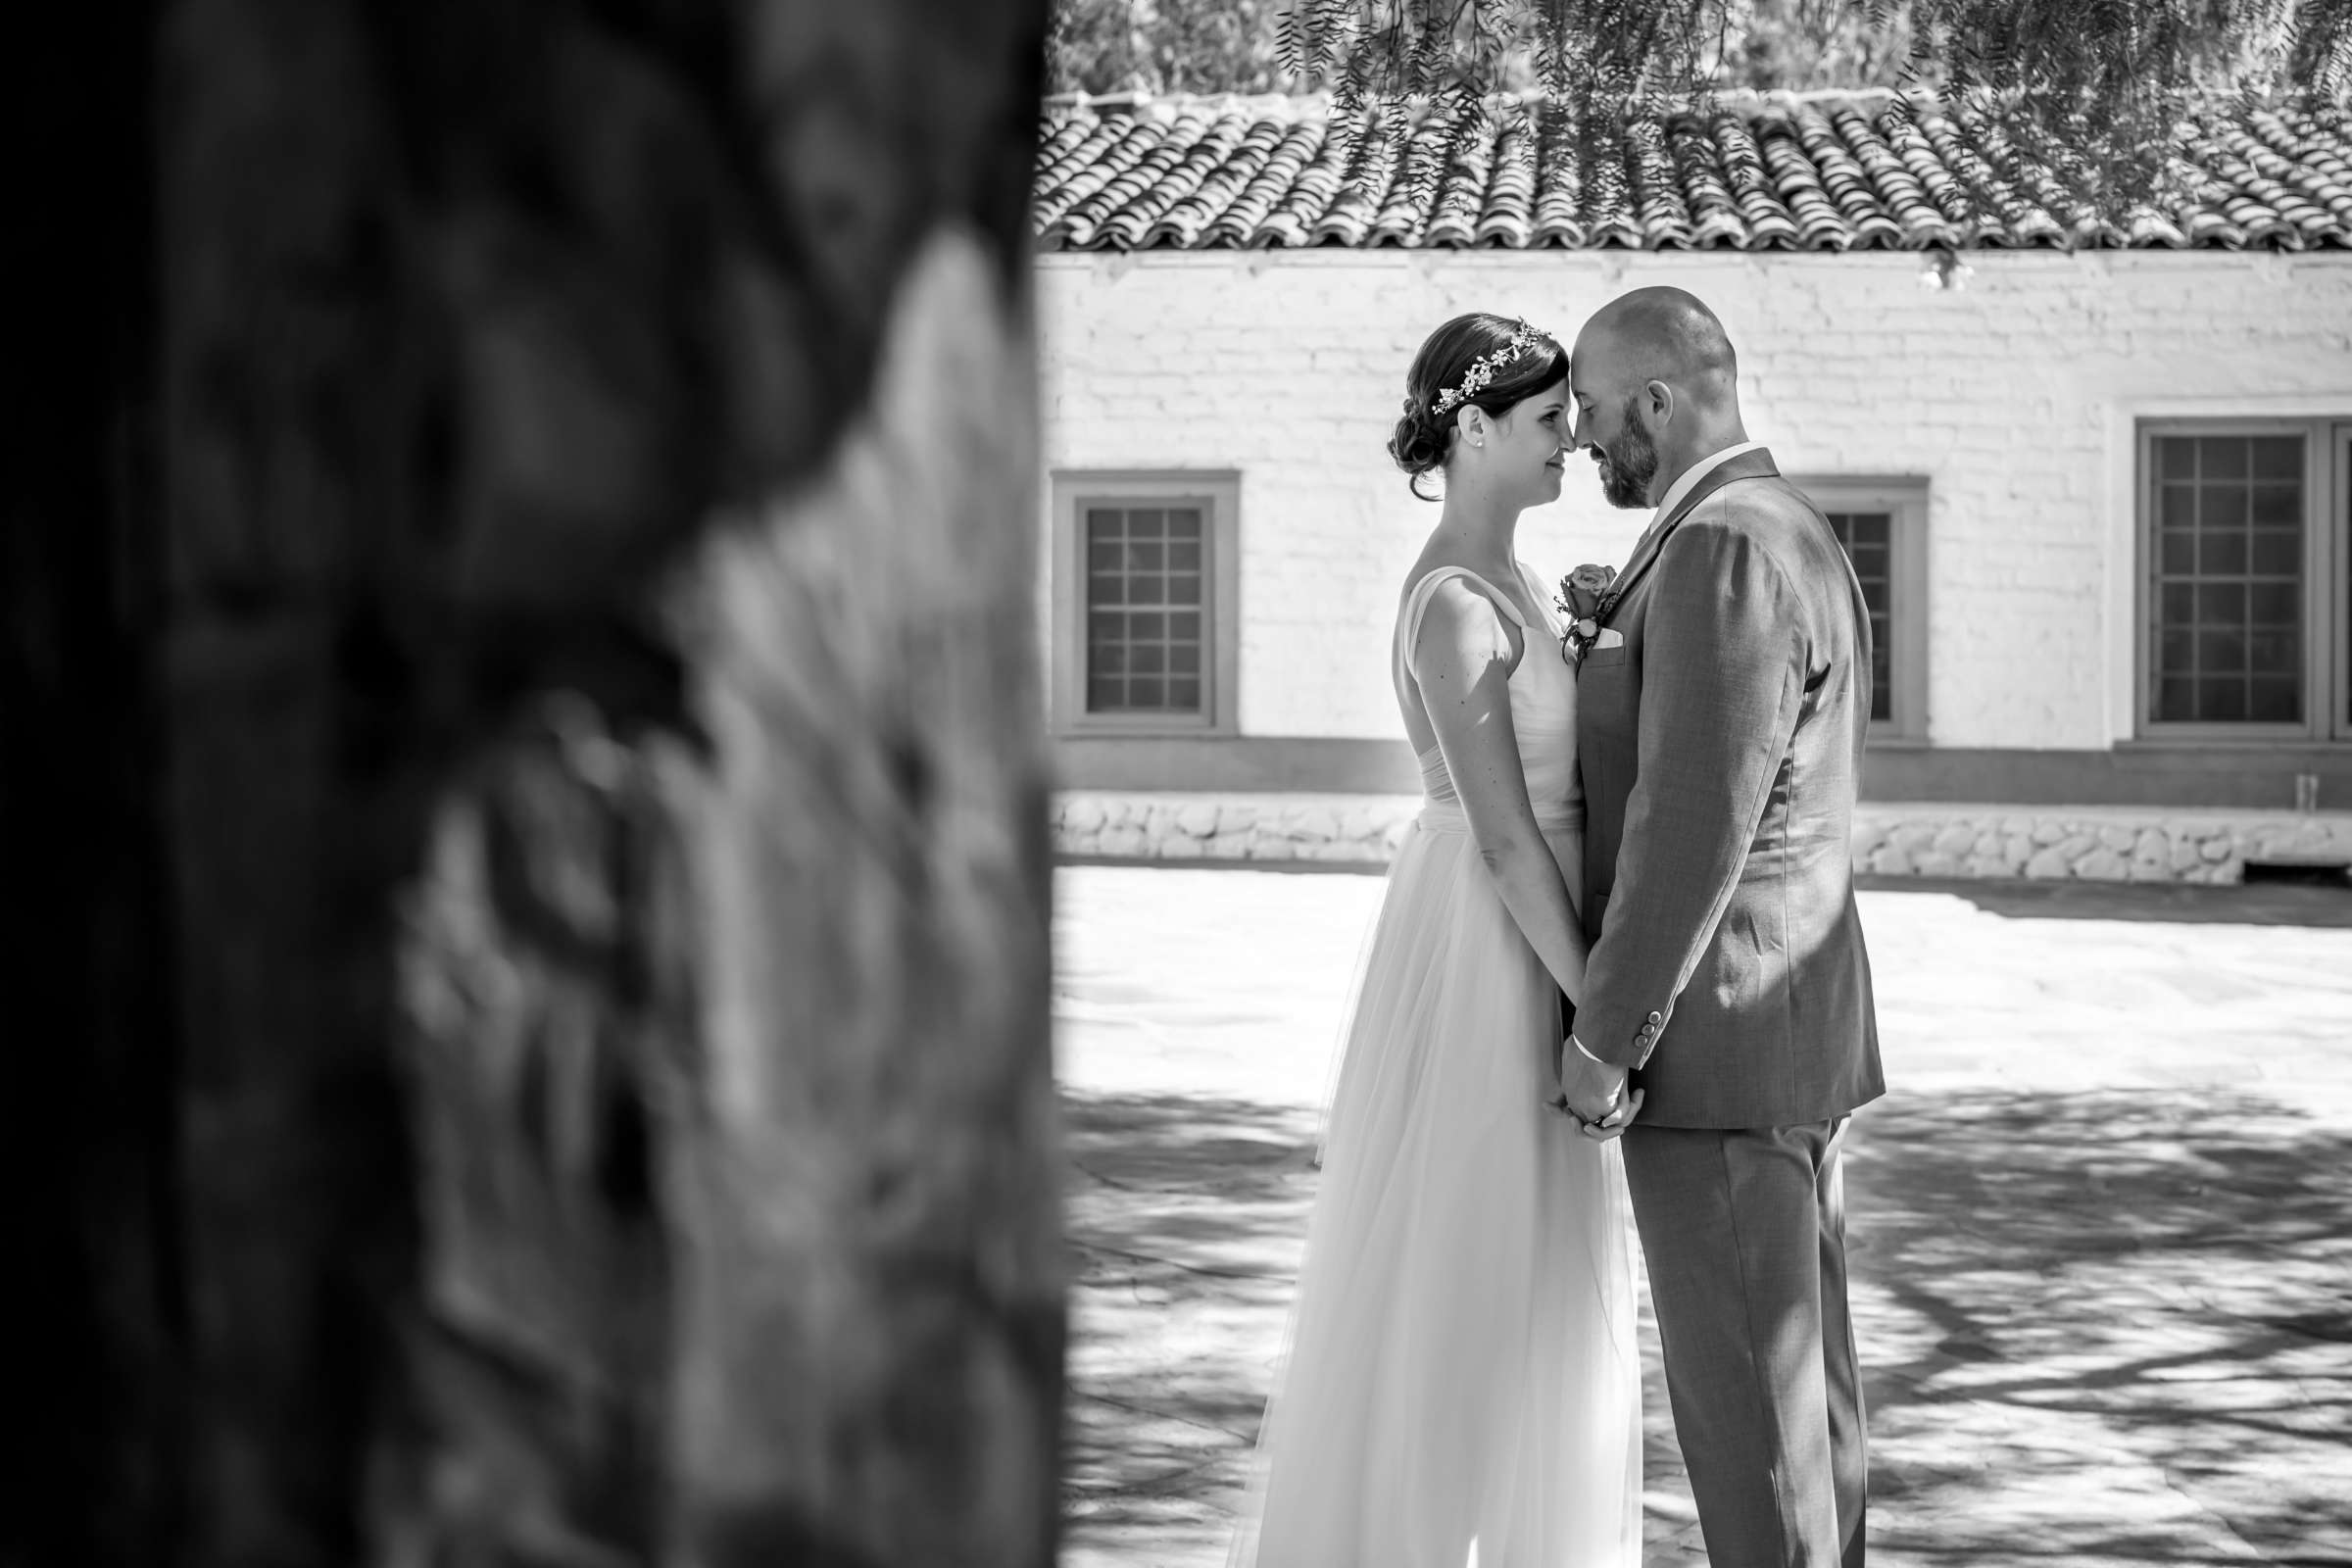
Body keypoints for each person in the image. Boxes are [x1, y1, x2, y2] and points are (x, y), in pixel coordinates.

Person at [1228, 313, 1642, 1568]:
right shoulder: (1455, 604)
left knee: (1536, 1289)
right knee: (1468, 1270)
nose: (1574, 437)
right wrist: (1604, 1018)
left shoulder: (1515, 582)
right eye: (1547, 420)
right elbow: (1510, 840)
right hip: (1490, 946)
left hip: (1532, 926)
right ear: (1470, 431)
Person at [1555, 285, 1885, 1568]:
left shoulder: (1724, 550)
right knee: (1811, 1419)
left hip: (1719, 1051)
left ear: (1658, 397)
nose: (1583, 441)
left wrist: (1605, 1039)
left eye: (1591, 412)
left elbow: (1691, 826)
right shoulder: (1768, 523)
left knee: (1754, 1434)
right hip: (1785, 1041)